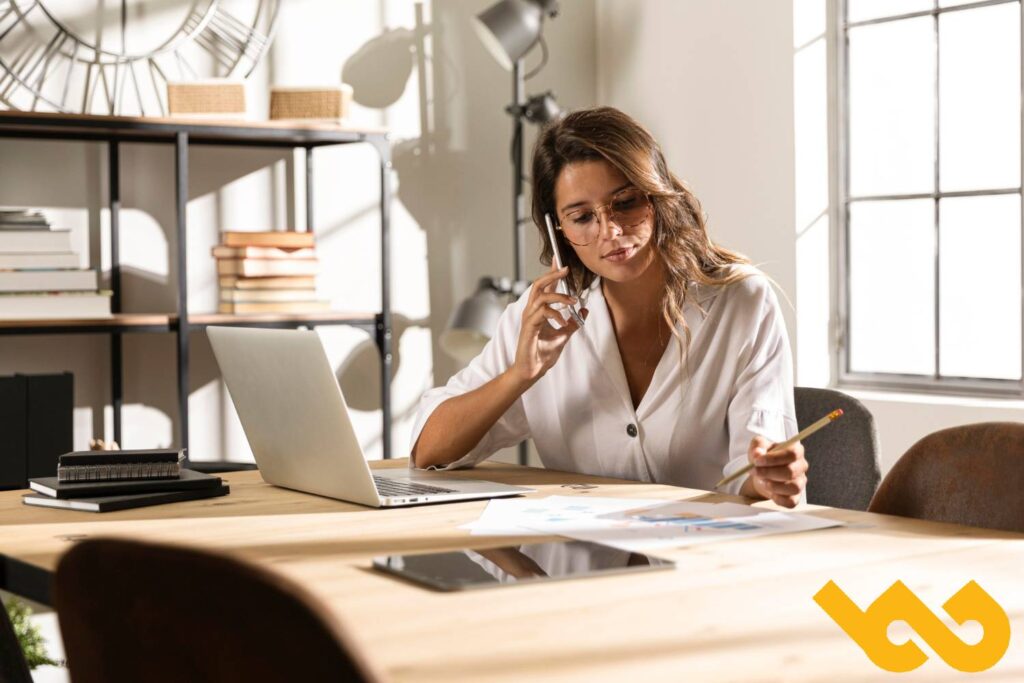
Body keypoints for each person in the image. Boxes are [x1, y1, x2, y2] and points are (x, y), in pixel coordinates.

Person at [411, 106, 807, 507]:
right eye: (582, 217)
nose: (611, 231)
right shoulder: (542, 319)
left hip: (705, 556)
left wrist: (770, 477)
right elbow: (428, 452)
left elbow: (755, 468)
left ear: (656, 195)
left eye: (626, 202)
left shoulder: (741, 302)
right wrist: (520, 375)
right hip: (579, 561)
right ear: (559, 231)